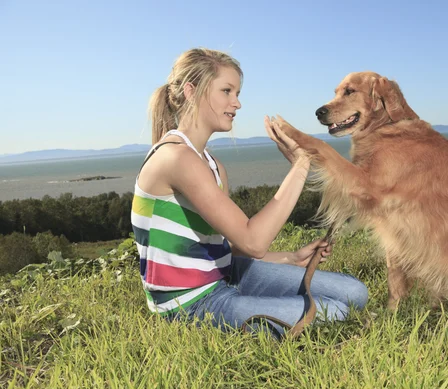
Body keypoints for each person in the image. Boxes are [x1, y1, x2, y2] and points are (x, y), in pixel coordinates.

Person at [130, 47, 368, 338]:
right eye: (227, 91)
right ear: (191, 91)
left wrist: (291, 258)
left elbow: (235, 249)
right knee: (337, 311)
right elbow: (254, 242)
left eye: (237, 93)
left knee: (355, 293)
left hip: (226, 277)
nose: (237, 103)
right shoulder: (176, 159)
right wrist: (301, 165)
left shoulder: (212, 165)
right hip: (189, 306)